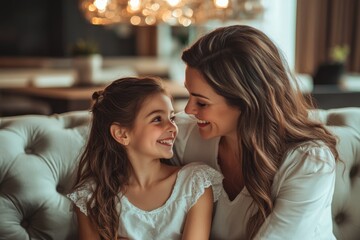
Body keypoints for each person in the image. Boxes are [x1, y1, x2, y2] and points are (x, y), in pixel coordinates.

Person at [171, 25, 339, 239]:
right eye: (188, 94)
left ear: (247, 103)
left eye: (202, 103)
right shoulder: (182, 135)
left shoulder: (308, 162)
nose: (188, 110)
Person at [67, 77, 223, 240]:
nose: (172, 127)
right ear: (122, 134)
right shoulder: (92, 196)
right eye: (157, 119)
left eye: (172, 118)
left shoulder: (195, 184)